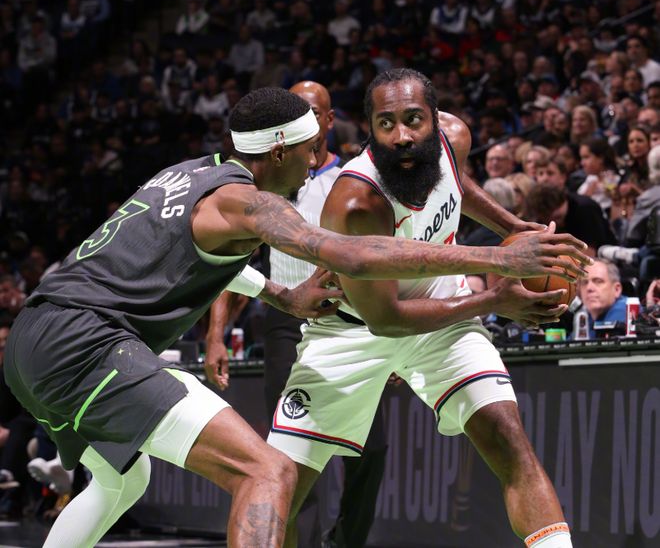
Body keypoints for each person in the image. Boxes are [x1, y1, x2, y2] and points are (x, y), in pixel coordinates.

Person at [4, 86, 589, 548]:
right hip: (89, 344)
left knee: (122, 480)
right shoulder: (252, 202)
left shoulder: (189, 175)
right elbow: (353, 257)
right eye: (310, 150)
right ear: (279, 151)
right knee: (266, 472)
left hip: (34, 340)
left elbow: (200, 255)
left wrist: (281, 297)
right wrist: (497, 259)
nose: (316, 162)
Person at [266, 70, 582, 548]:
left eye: (413, 120)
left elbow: (454, 182)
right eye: (386, 124)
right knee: (279, 491)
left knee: (509, 440)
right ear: (369, 129)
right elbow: (386, 319)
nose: (402, 136)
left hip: (442, 313)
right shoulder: (356, 203)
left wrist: (515, 227)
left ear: (436, 119)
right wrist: (495, 300)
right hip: (353, 331)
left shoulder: (453, 139)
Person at [207, 80, 387, 547]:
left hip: (352, 320)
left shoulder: (351, 180)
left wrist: (393, 339)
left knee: (372, 448)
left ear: (327, 120)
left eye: (310, 111)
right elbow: (232, 260)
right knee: (290, 450)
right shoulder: (267, 181)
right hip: (288, 319)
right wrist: (216, 334)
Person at [577, 259, 627, 339]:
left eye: (598, 281)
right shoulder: (586, 315)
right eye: (585, 282)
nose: (589, 288)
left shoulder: (626, 309)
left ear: (617, 289)